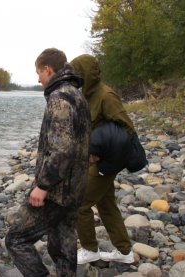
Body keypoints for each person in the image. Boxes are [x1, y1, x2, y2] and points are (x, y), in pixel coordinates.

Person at [5, 48, 91, 277]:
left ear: (48, 69)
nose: (38, 79)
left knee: (16, 240)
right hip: (76, 187)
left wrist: (42, 185)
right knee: (63, 242)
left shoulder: (59, 98)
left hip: (57, 191)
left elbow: (63, 149)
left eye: (38, 73)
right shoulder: (77, 94)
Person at [70, 54, 136, 264]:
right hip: (97, 161)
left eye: (77, 74)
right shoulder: (88, 95)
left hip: (105, 163)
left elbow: (127, 128)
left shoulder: (106, 95)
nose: (74, 79)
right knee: (107, 204)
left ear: (86, 74)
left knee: (79, 203)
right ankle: (125, 252)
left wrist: (102, 153)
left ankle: (90, 249)